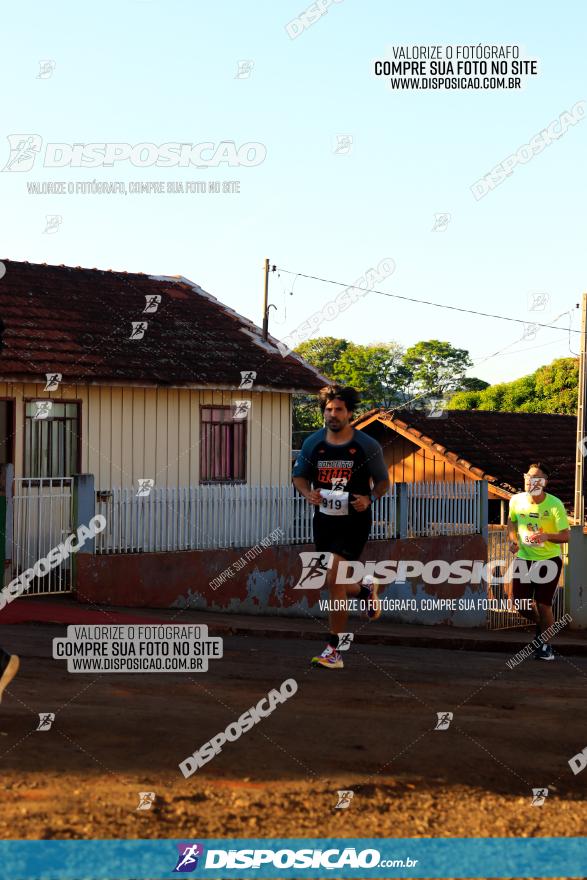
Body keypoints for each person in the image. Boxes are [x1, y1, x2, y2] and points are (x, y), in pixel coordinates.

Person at [292, 385, 390, 669]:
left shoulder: (366, 445)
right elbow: (299, 476)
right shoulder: (313, 444)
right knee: (330, 582)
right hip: (324, 521)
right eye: (328, 410)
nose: (332, 414)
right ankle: (364, 590)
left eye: (338, 410)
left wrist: (369, 498)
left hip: (354, 520)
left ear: (349, 413)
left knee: (334, 579)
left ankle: (333, 650)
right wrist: (307, 492)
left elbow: (384, 482)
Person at [507, 462, 569, 661]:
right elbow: (512, 521)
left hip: (549, 560)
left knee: (543, 605)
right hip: (524, 558)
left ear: (543, 482)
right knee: (519, 602)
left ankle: (546, 646)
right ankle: (542, 627)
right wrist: (514, 541)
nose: (529, 480)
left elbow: (566, 536)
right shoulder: (516, 500)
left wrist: (546, 536)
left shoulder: (554, 504)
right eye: (527, 476)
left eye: (534, 477)